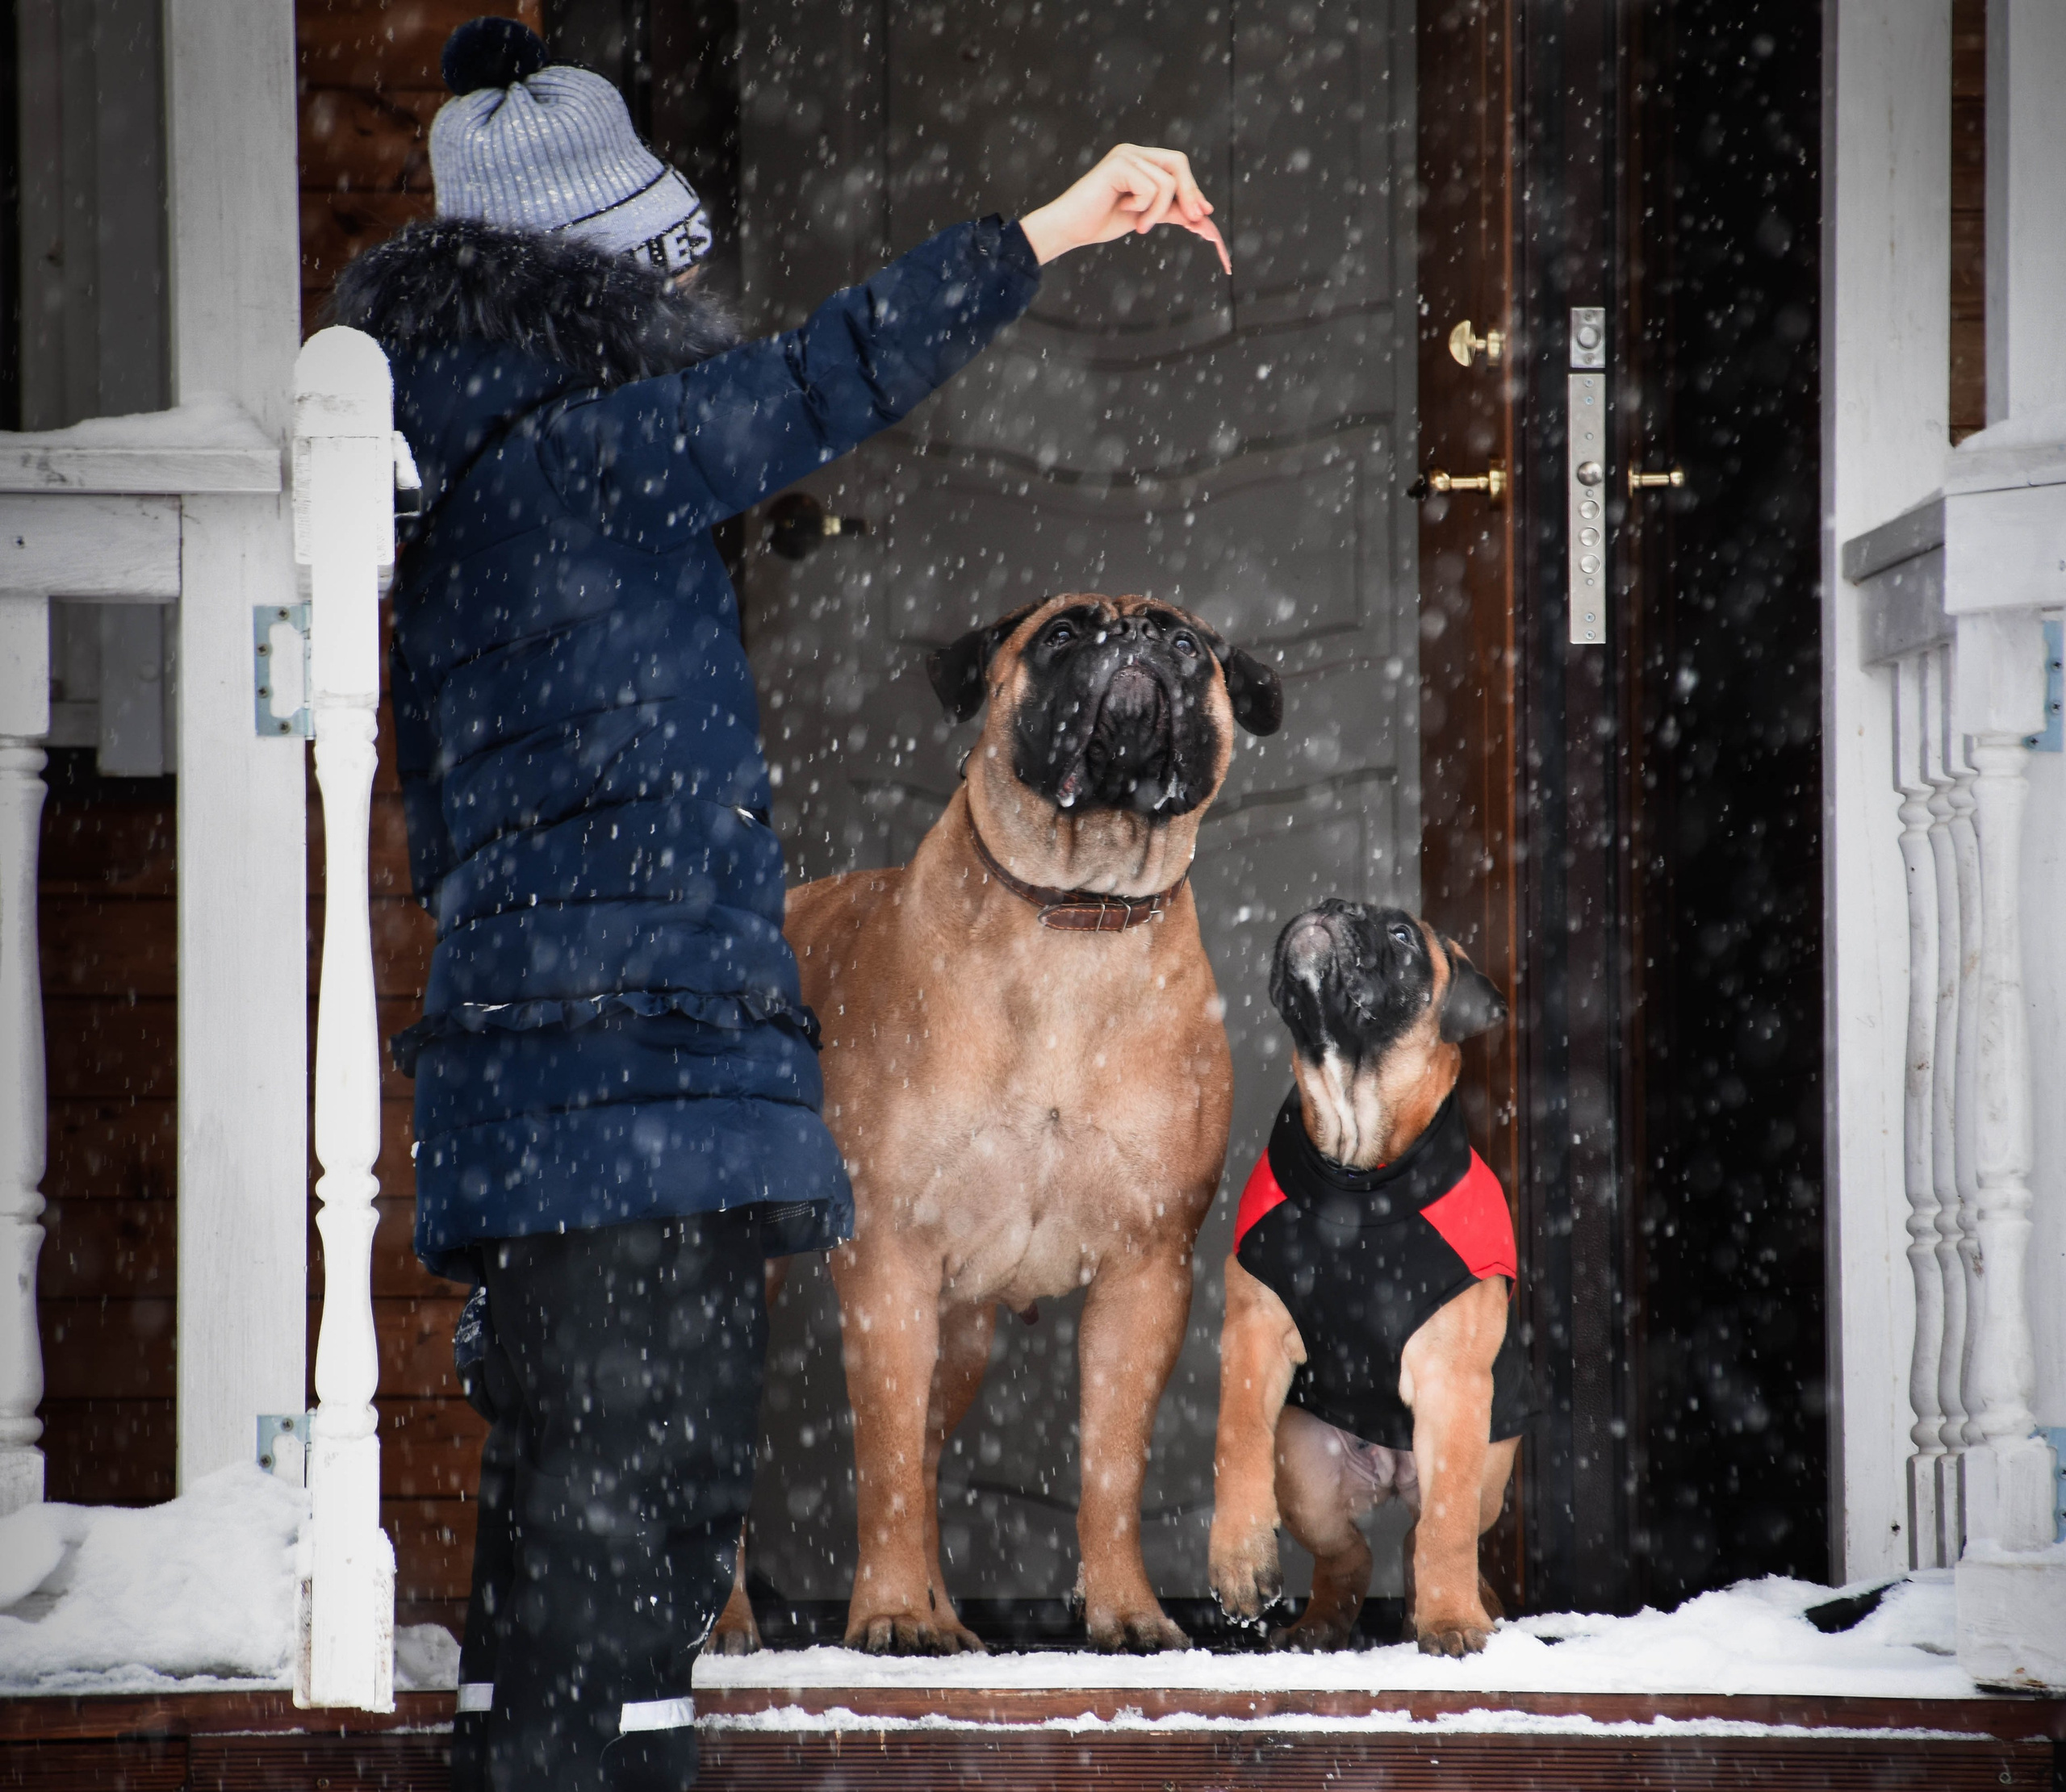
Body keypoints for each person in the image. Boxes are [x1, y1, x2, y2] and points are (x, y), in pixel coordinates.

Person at [332, 16, 1227, 1791]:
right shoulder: (587, 449)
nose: (685, 297)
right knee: (640, 1519)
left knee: (556, 1522)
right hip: (632, 1074)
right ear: (585, 281)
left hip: (539, 1071)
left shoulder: (454, 478)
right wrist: (1049, 231)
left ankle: (533, 1759)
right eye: (657, 266)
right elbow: (830, 373)